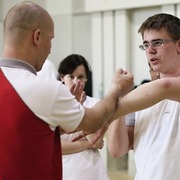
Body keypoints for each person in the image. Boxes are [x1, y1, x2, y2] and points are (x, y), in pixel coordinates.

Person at [0, 1, 133, 179]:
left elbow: (28, 134)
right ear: (37, 37)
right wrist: (116, 89)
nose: (50, 48)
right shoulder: (44, 89)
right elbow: (94, 121)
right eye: (51, 39)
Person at [107, 13, 180, 180]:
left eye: (157, 43)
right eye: (145, 45)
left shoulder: (153, 90)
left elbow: (165, 87)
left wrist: (108, 111)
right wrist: (118, 94)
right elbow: (117, 149)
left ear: (179, 44)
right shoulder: (136, 97)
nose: (150, 50)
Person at [58, 54, 109, 180]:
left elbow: (95, 142)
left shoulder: (96, 104)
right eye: (71, 76)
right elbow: (54, 147)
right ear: (62, 77)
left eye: (81, 77)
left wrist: (80, 109)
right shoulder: (54, 105)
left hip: (92, 171)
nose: (76, 82)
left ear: (86, 78)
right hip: (64, 171)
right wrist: (86, 145)